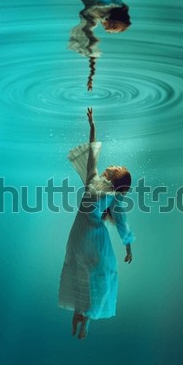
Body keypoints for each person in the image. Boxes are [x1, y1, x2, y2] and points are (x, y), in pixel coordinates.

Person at [59, 108, 135, 339]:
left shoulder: (112, 195)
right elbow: (93, 153)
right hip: (81, 231)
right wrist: (92, 127)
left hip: (93, 234)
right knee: (82, 270)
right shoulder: (94, 179)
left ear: (116, 176)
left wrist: (128, 244)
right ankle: (81, 314)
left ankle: (87, 317)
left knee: (95, 272)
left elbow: (121, 219)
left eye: (117, 168)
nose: (112, 164)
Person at [69, 0, 131, 90]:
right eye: (106, 25)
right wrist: (91, 75)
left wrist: (91, 76)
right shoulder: (94, 11)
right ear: (109, 20)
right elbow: (89, 42)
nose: (103, 24)